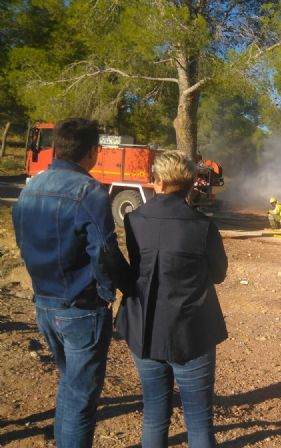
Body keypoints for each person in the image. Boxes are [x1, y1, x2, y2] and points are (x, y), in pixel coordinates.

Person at [12, 118, 130, 447]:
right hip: (81, 309)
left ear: (57, 147)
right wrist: (109, 293)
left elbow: (23, 239)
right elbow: (105, 253)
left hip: (45, 305)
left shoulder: (31, 187)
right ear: (93, 151)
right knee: (80, 401)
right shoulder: (89, 191)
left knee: (70, 384)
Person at [115, 151, 228, 448]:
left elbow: (139, 268)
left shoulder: (133, 220)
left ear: (159, 182)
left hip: (144, 330)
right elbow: (218, 274)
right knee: (199, 421)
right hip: (192, 334)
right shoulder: (203, 226)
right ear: (191, 184)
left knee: (154, 414)